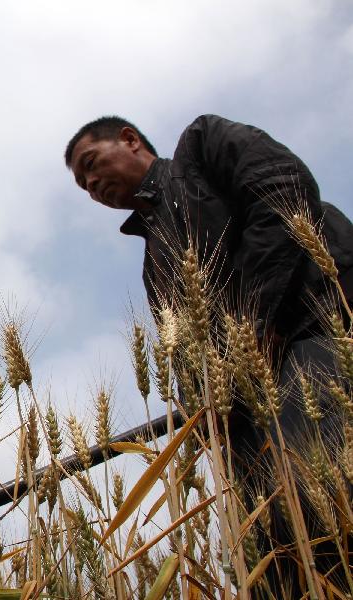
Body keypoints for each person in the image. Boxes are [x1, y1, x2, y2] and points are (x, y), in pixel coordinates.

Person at [64, 114, 353, 596]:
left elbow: (284, 191)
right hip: (245, 414)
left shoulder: (204, 145)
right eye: (82, 184)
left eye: (91, 165)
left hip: (316, 331)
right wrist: (206, 415)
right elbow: (184, 354)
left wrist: (254, 324)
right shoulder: (154, 259)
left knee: (319, 504)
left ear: (131, 140)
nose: (91, 185)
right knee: (267, 553)